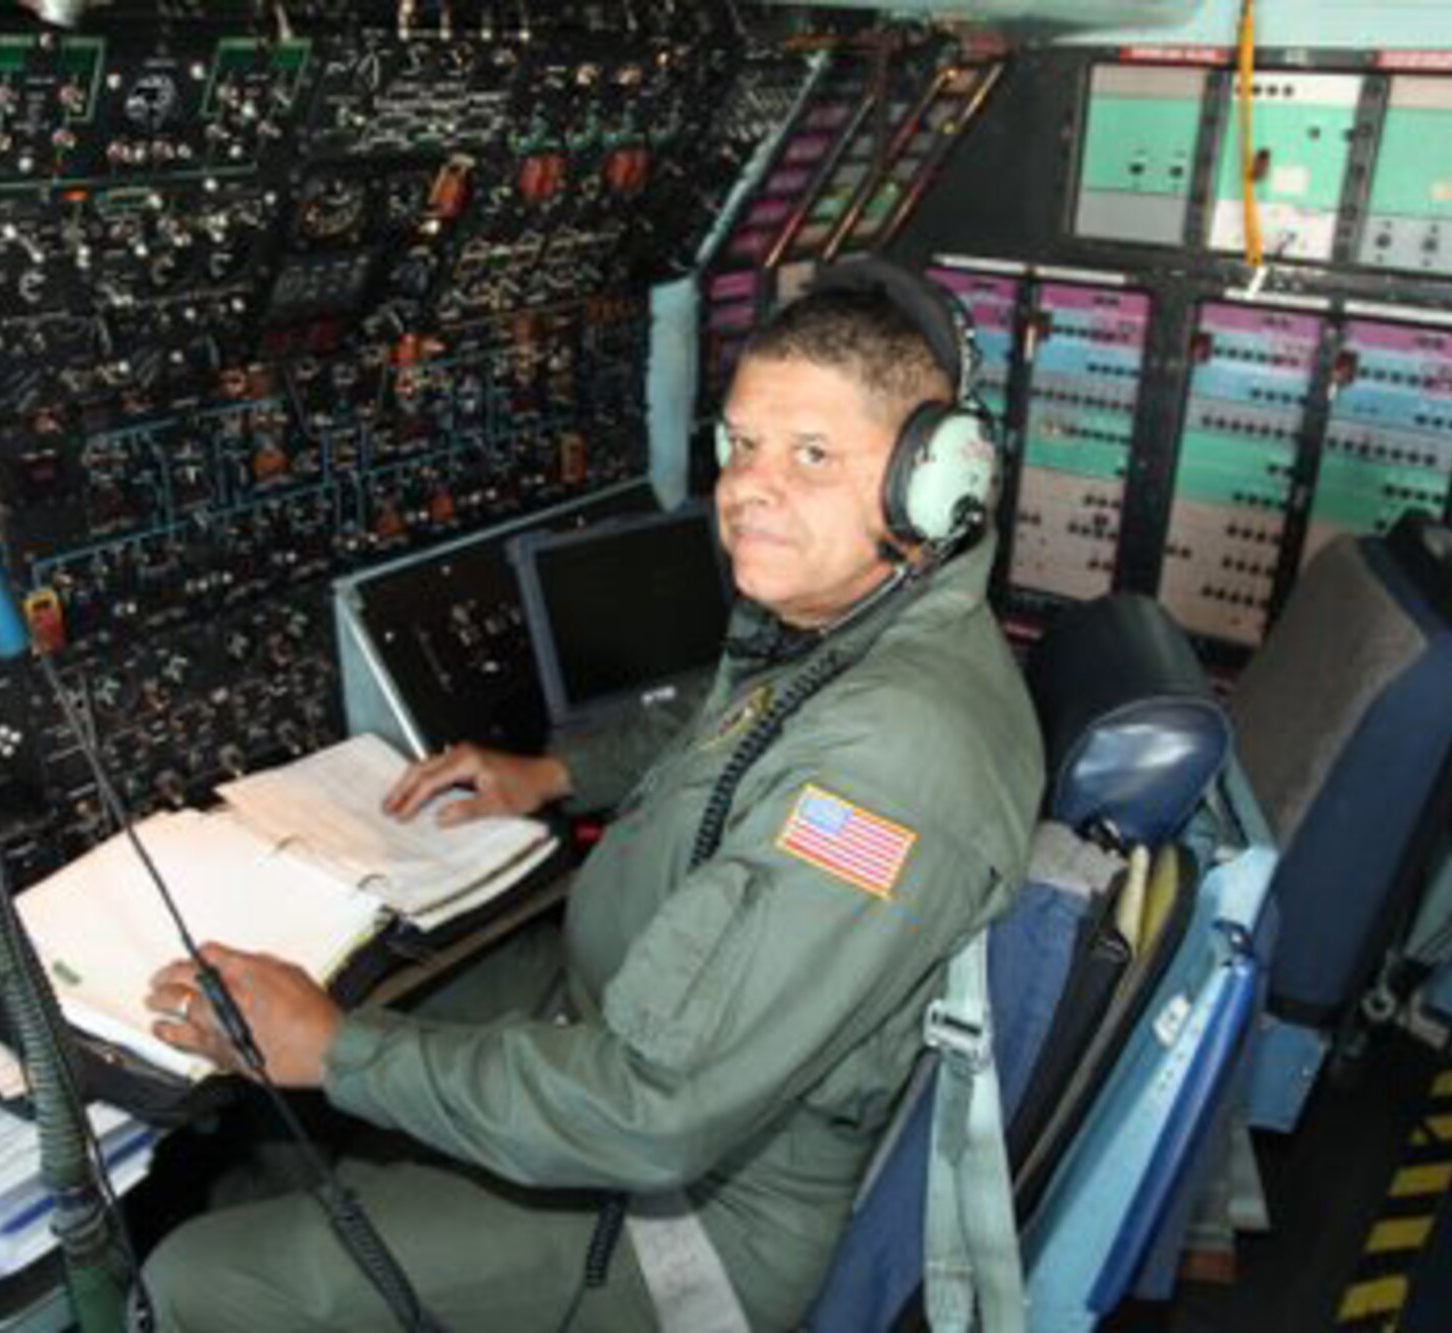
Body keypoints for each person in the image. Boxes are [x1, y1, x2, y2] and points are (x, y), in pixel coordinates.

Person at [139, 266, 1045, 1332]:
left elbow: (647, 1110)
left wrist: (336, 1050)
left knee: (207, 1274)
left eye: (810, 455)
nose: (750, 487)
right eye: (741, 444)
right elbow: (723, 731)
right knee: (270, 1110)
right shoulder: (854, 623)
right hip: (609, 1011)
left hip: (696, 1209)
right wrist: (557, 773)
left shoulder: (889, 767)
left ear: (930, 483)